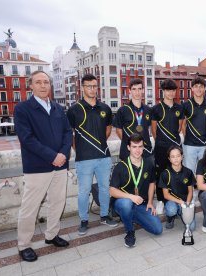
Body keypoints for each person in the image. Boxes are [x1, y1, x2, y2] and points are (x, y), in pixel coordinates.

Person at [14, 71, 72, 262]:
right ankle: (24, 245)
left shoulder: (57, 108)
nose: (43, 85)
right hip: (37, 167)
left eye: (46, 82)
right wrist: (52, 156)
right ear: (30, 85)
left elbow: (67, 132)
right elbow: (27, 139)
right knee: (30, 208)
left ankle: (51, 235)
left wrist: (63, 154)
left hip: (60, 165)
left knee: (57, 202)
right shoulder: (23, 109)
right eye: (38, 82)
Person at [67, 74, 117, 236]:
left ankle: (104, 215)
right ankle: (83, 220)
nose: (92, 89)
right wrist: (80, 150)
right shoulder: (74, 110)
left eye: (94, 86)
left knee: (104, 188)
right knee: (84, 191)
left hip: (103, 156)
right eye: (89, 86)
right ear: (82, 88)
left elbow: (108, 130)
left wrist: (99, 143)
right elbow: (70, 135)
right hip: (84, 159)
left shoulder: (105, 109)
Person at [110, 133, 162, 248]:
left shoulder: (148, 164)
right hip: (123, 202)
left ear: (143, 147)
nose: (137, 150)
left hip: (141, 204)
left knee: (158, 229)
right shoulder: (120, 166)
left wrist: (150, 202)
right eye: (134, 147)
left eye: (140, 146)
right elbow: (112, 191)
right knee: (126, 204)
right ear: (128, 147)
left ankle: (129, 216)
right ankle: (129, 232)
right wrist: (131, 197)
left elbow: (152, 183)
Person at [151, 79, 184, 208]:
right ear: (163, 91)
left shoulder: (179, 108)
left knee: (176, 173)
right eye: (167, 90)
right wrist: (161, 141)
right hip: (161, 148)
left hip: (176, 147)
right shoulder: (156, 109)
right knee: (161, 174)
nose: (170, 93)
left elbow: (180, 128)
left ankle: (176, 199)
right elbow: (153, 130)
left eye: (172, 90)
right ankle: (161, 200)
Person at [182, 76, 206, 174]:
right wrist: (187, 137)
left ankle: (203, 189)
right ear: (192, 88)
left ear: (204, 88)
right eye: (196, 86)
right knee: (189, 172)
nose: (198, 89)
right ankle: (190, 190)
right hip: (189, 145)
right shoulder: (186, 105)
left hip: (205, 145)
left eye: (201, 86)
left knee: (204, 172)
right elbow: (183, 125)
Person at [113, 78, 153, 161]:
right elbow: (118, 131)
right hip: (128, 153)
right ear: (129, 91)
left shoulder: (148, 110)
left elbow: (149, 129)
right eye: (134, 89)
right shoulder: (123, 110)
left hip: (146, 152)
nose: (137, 92)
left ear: (143, 90)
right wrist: (132, 144)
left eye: (139, 89)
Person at [157, 145, 196, 230]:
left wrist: (187, 203)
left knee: (192, 228)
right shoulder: (165, 173)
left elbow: (190, 191)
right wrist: (180, 202)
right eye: (173, 157)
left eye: (178, 156)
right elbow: (166, 195)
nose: (176, 159)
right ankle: (170, 218)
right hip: (172, 201)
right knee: (171, 210)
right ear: (169, 159)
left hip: (185, 201)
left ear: (182, 157)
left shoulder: (188, 172)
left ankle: (181, 212)